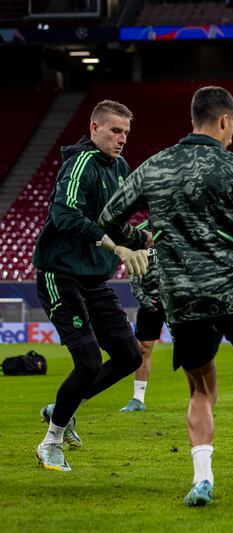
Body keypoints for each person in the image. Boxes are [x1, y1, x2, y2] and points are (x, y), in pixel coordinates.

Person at [99, 86, 233, 507]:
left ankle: (202, 480)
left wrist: (142, 237)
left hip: (180, 297)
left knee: (201, 391)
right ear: (223, 120)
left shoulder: (154, 166)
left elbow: (107, 218)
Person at [33, 100, 150, 472]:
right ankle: (50, 442)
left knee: (130, 356)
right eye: (115, 131)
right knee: (87, 361)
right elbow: (64, 215)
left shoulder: (120, 168)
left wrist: (143, 238)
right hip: (60, 275)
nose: (122, 139)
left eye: (126, 133)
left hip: (94, 281)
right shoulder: (80, 164)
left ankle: (61, 409)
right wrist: (114, 245)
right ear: (95, 128)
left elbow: (116, 223)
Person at [120, 219, 163, 412]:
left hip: (178, 303)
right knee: (144, 349)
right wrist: (145, 301)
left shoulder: (178, 239)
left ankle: (200, 395)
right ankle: (138, 399)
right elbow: (134, 278)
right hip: (151, 303)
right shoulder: (140, 243)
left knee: (191, 349)